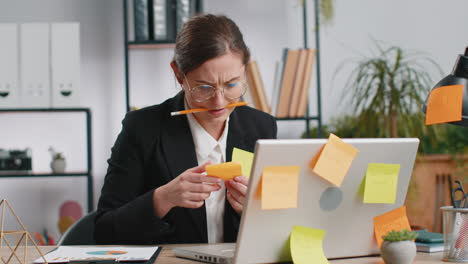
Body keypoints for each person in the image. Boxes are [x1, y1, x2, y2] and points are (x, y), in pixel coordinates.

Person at [94, 14, 277, 245]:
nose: (219, 102)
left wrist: (252, 211)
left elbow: (276, 226)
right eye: (203, 87)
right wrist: (161, 199)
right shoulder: (142, 129)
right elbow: (103, 231)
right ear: (178, 74)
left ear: (245, 71)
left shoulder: (262, 127)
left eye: (232, 85)